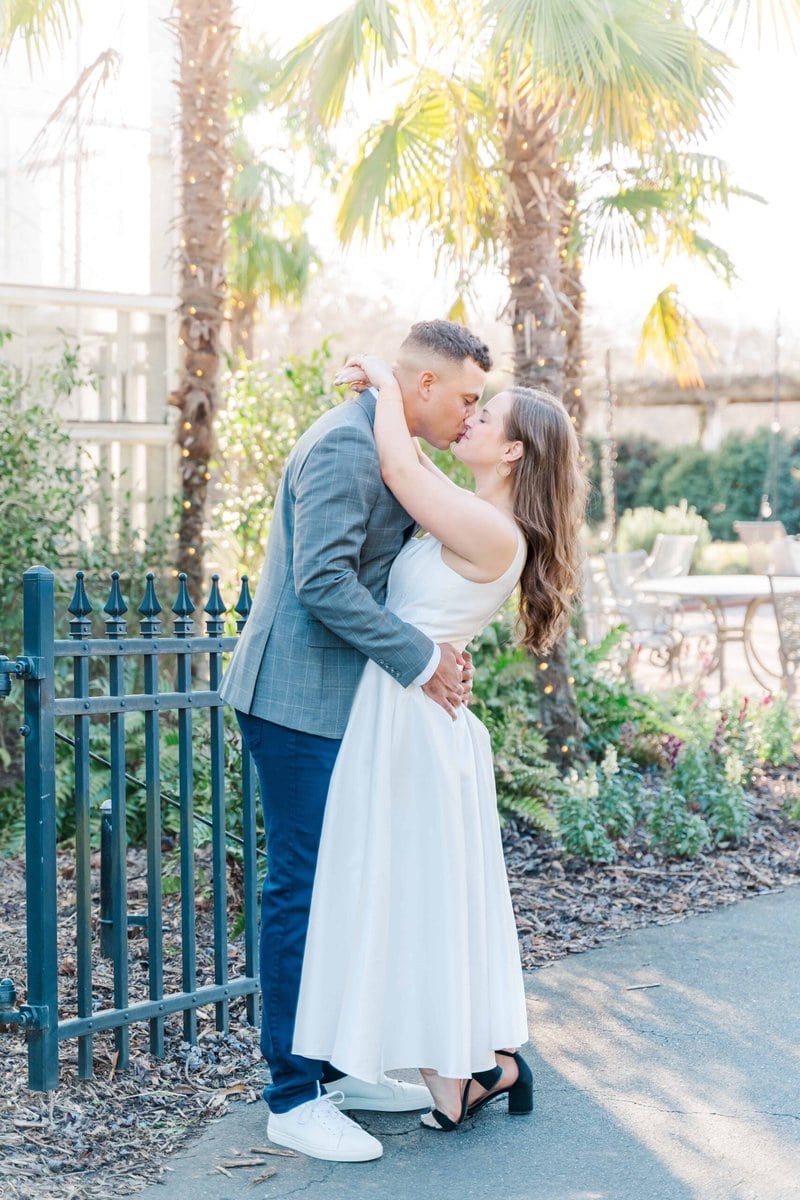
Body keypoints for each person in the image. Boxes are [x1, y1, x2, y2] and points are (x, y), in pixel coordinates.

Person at [292, 353, 587, 1140]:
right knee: (410, 896)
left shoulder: (492, 529)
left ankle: (469, 1072)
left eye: (487, 416)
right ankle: (474, 1069)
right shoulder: (473, 510)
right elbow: (411, 465)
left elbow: (396, 460)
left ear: (515, 451)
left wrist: (389, 384)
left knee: (412, 898)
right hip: (405, 717)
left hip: (415, 731)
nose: (471, 418)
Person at [219, 320, 493, 1163]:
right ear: (424, 386)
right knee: (301, 892)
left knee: (346, 888)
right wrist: (420, 660)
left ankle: (333, 1071)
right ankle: (292, 1097)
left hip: (345, 706)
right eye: (467, 398)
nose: (471, 414)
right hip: (297, 702)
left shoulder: (383, 435)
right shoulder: (344, 446)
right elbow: (323, 581)